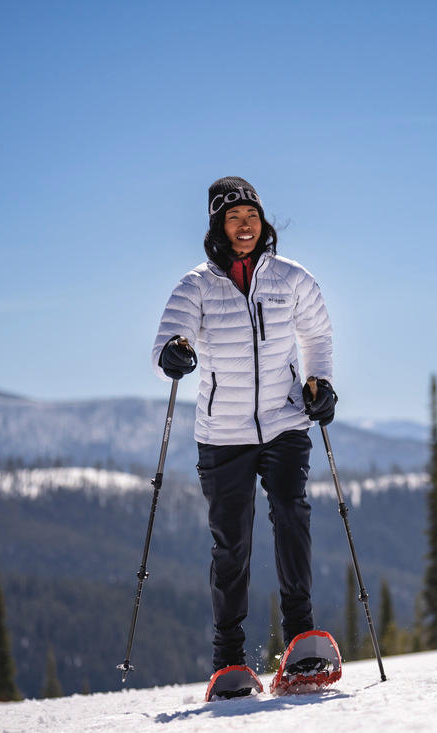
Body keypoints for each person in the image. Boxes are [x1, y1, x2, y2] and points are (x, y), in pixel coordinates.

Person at [151, 176, 337, 674]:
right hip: (223, 433)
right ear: (218, 225)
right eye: (233, 218)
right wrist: (173, 353)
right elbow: (168, 340)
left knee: (291, 514)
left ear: (262, 220)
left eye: (251, 215)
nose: (244, 225)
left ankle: (302, 641)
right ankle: (230, 661)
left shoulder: (291, 279)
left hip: (284, 420)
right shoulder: (196, 286)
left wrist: (320, 384)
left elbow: (318, 334)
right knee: (231, 544)